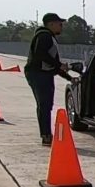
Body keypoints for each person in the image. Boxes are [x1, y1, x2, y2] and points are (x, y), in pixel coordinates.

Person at [24, 13, 77, 145]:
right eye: (59, 24)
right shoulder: (44, 36)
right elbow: (41, 55)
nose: (61, 26)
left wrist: (69, 78)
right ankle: (46, 135)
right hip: (38, 74)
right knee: (44, 105)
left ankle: (46, 134)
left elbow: (52, 64)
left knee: (46, 105)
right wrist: (59, 65)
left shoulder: (49, 37)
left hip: (43, 74)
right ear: (51, 24)